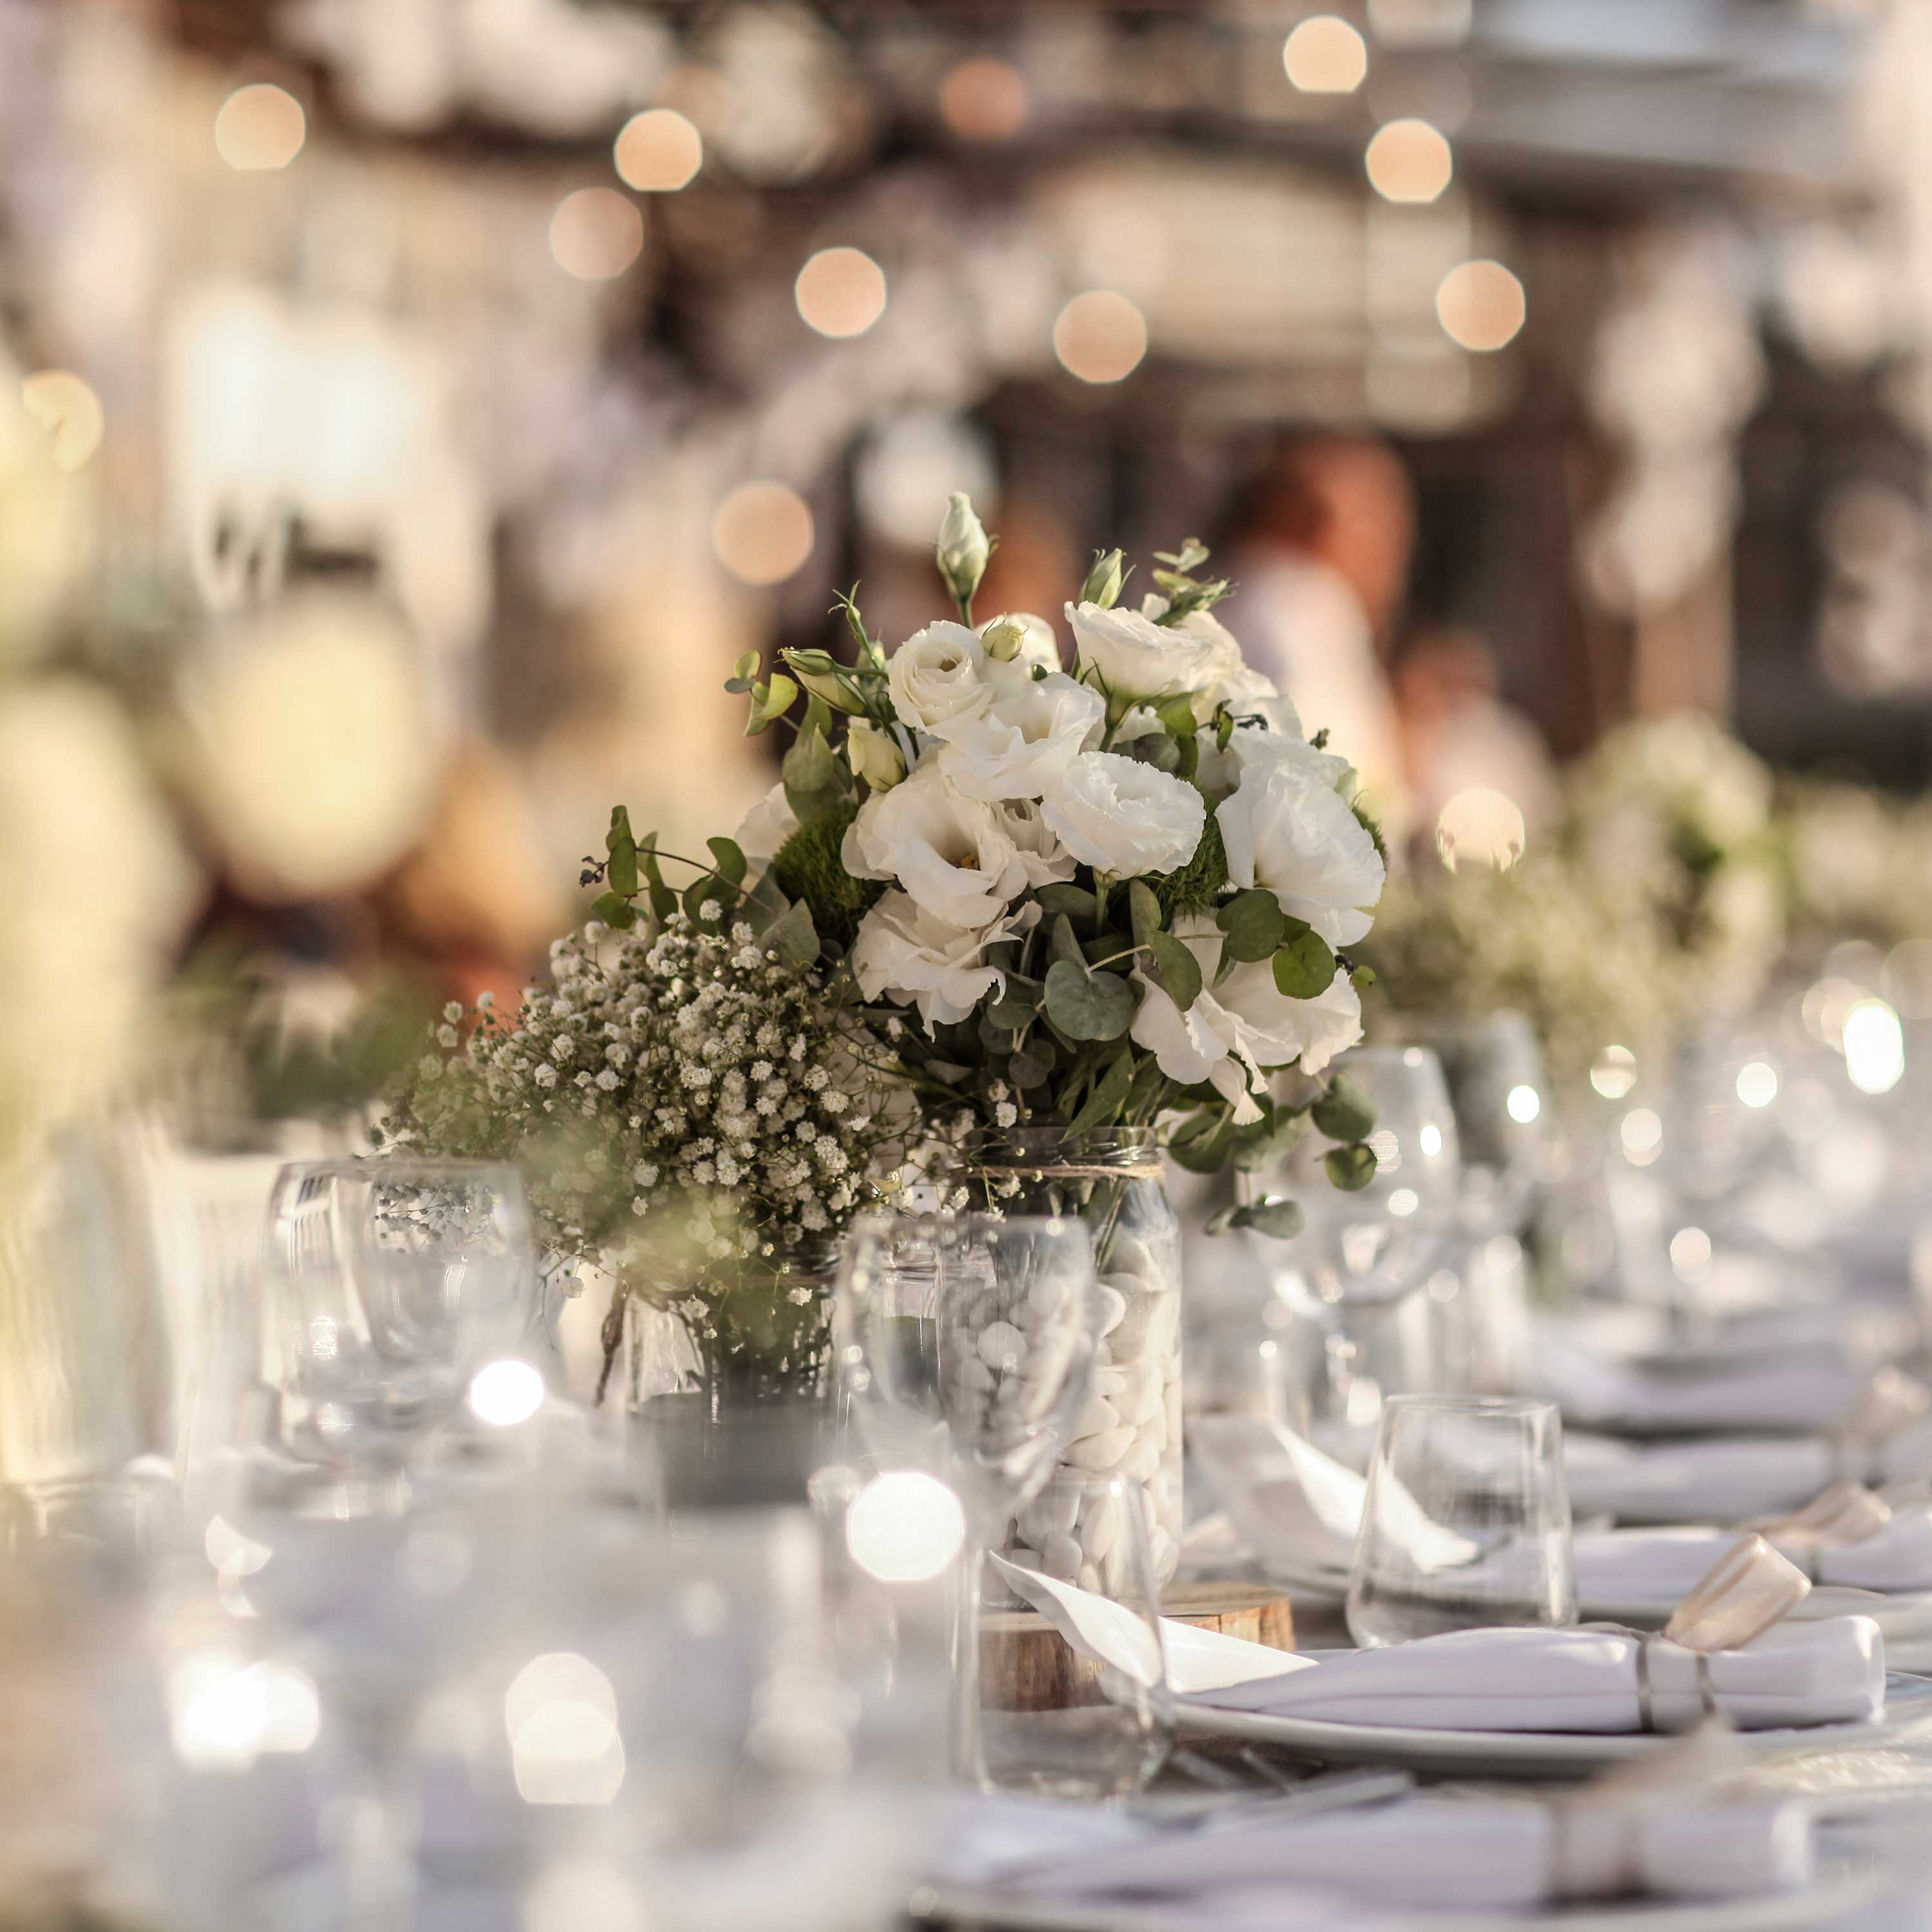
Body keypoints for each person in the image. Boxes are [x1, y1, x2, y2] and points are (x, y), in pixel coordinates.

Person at [1216, 438, 1416, 848]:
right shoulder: (1304, 601)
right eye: (1372, 524)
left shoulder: (1237, 591)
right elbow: (1340, 775)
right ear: (1294, 521)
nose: (1390, 556)